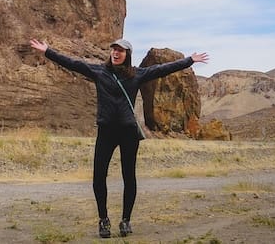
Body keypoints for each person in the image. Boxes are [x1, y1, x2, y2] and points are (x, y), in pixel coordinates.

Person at [28, 37, 209, 239]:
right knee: (98, 177)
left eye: (120, 51)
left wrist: (189, 60)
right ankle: (103, 220)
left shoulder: (137, 75)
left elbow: (162, 69)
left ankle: (126, 220)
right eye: (114, 50)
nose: (115, 53)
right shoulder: (99, 72)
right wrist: (47, 51)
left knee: (128, 177)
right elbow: (73, 64)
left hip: (128, 133)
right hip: (106, 132)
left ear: (127, 55)